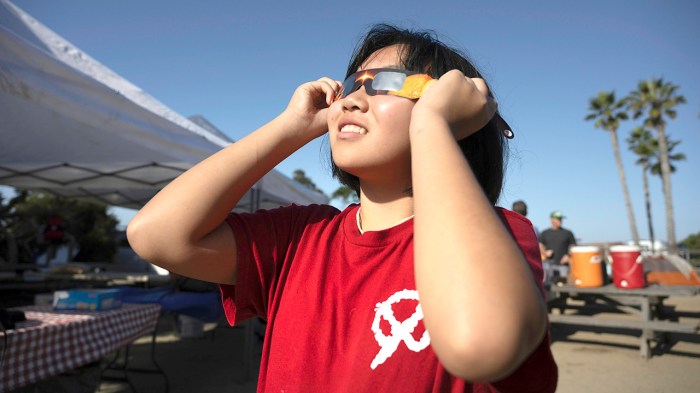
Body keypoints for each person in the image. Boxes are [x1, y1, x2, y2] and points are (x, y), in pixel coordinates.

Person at [127, 24, 557, 392]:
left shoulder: (500, 235)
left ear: (460, 111)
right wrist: (290, 128)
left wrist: (432, 126)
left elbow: (479, 345)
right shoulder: (300, 237)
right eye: (353, 85)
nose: (351, 100)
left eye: (387, 82)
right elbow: (156, 235)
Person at [539, 210, 577, 282]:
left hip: (563, 266)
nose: (560, 221)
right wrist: (545, 252)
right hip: (548, 266)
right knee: (548, 287)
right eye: (558, 219)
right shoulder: (545, 233)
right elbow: (539, 245)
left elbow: (574, 247)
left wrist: (568, 256)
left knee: (563, 288)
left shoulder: (568, 233)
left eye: (561, 219)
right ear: (551, 220)